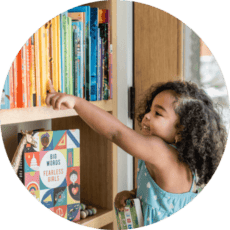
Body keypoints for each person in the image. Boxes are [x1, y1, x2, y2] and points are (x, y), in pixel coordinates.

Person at [45, 80, 227, 226]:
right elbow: (162, 198)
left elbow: (115, 133)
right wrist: (133, 194)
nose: (147, 115)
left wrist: (77, 103)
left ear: (181, 131)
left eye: (158, 114)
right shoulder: (184, 161)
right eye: (150, 109)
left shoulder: (160, 151)